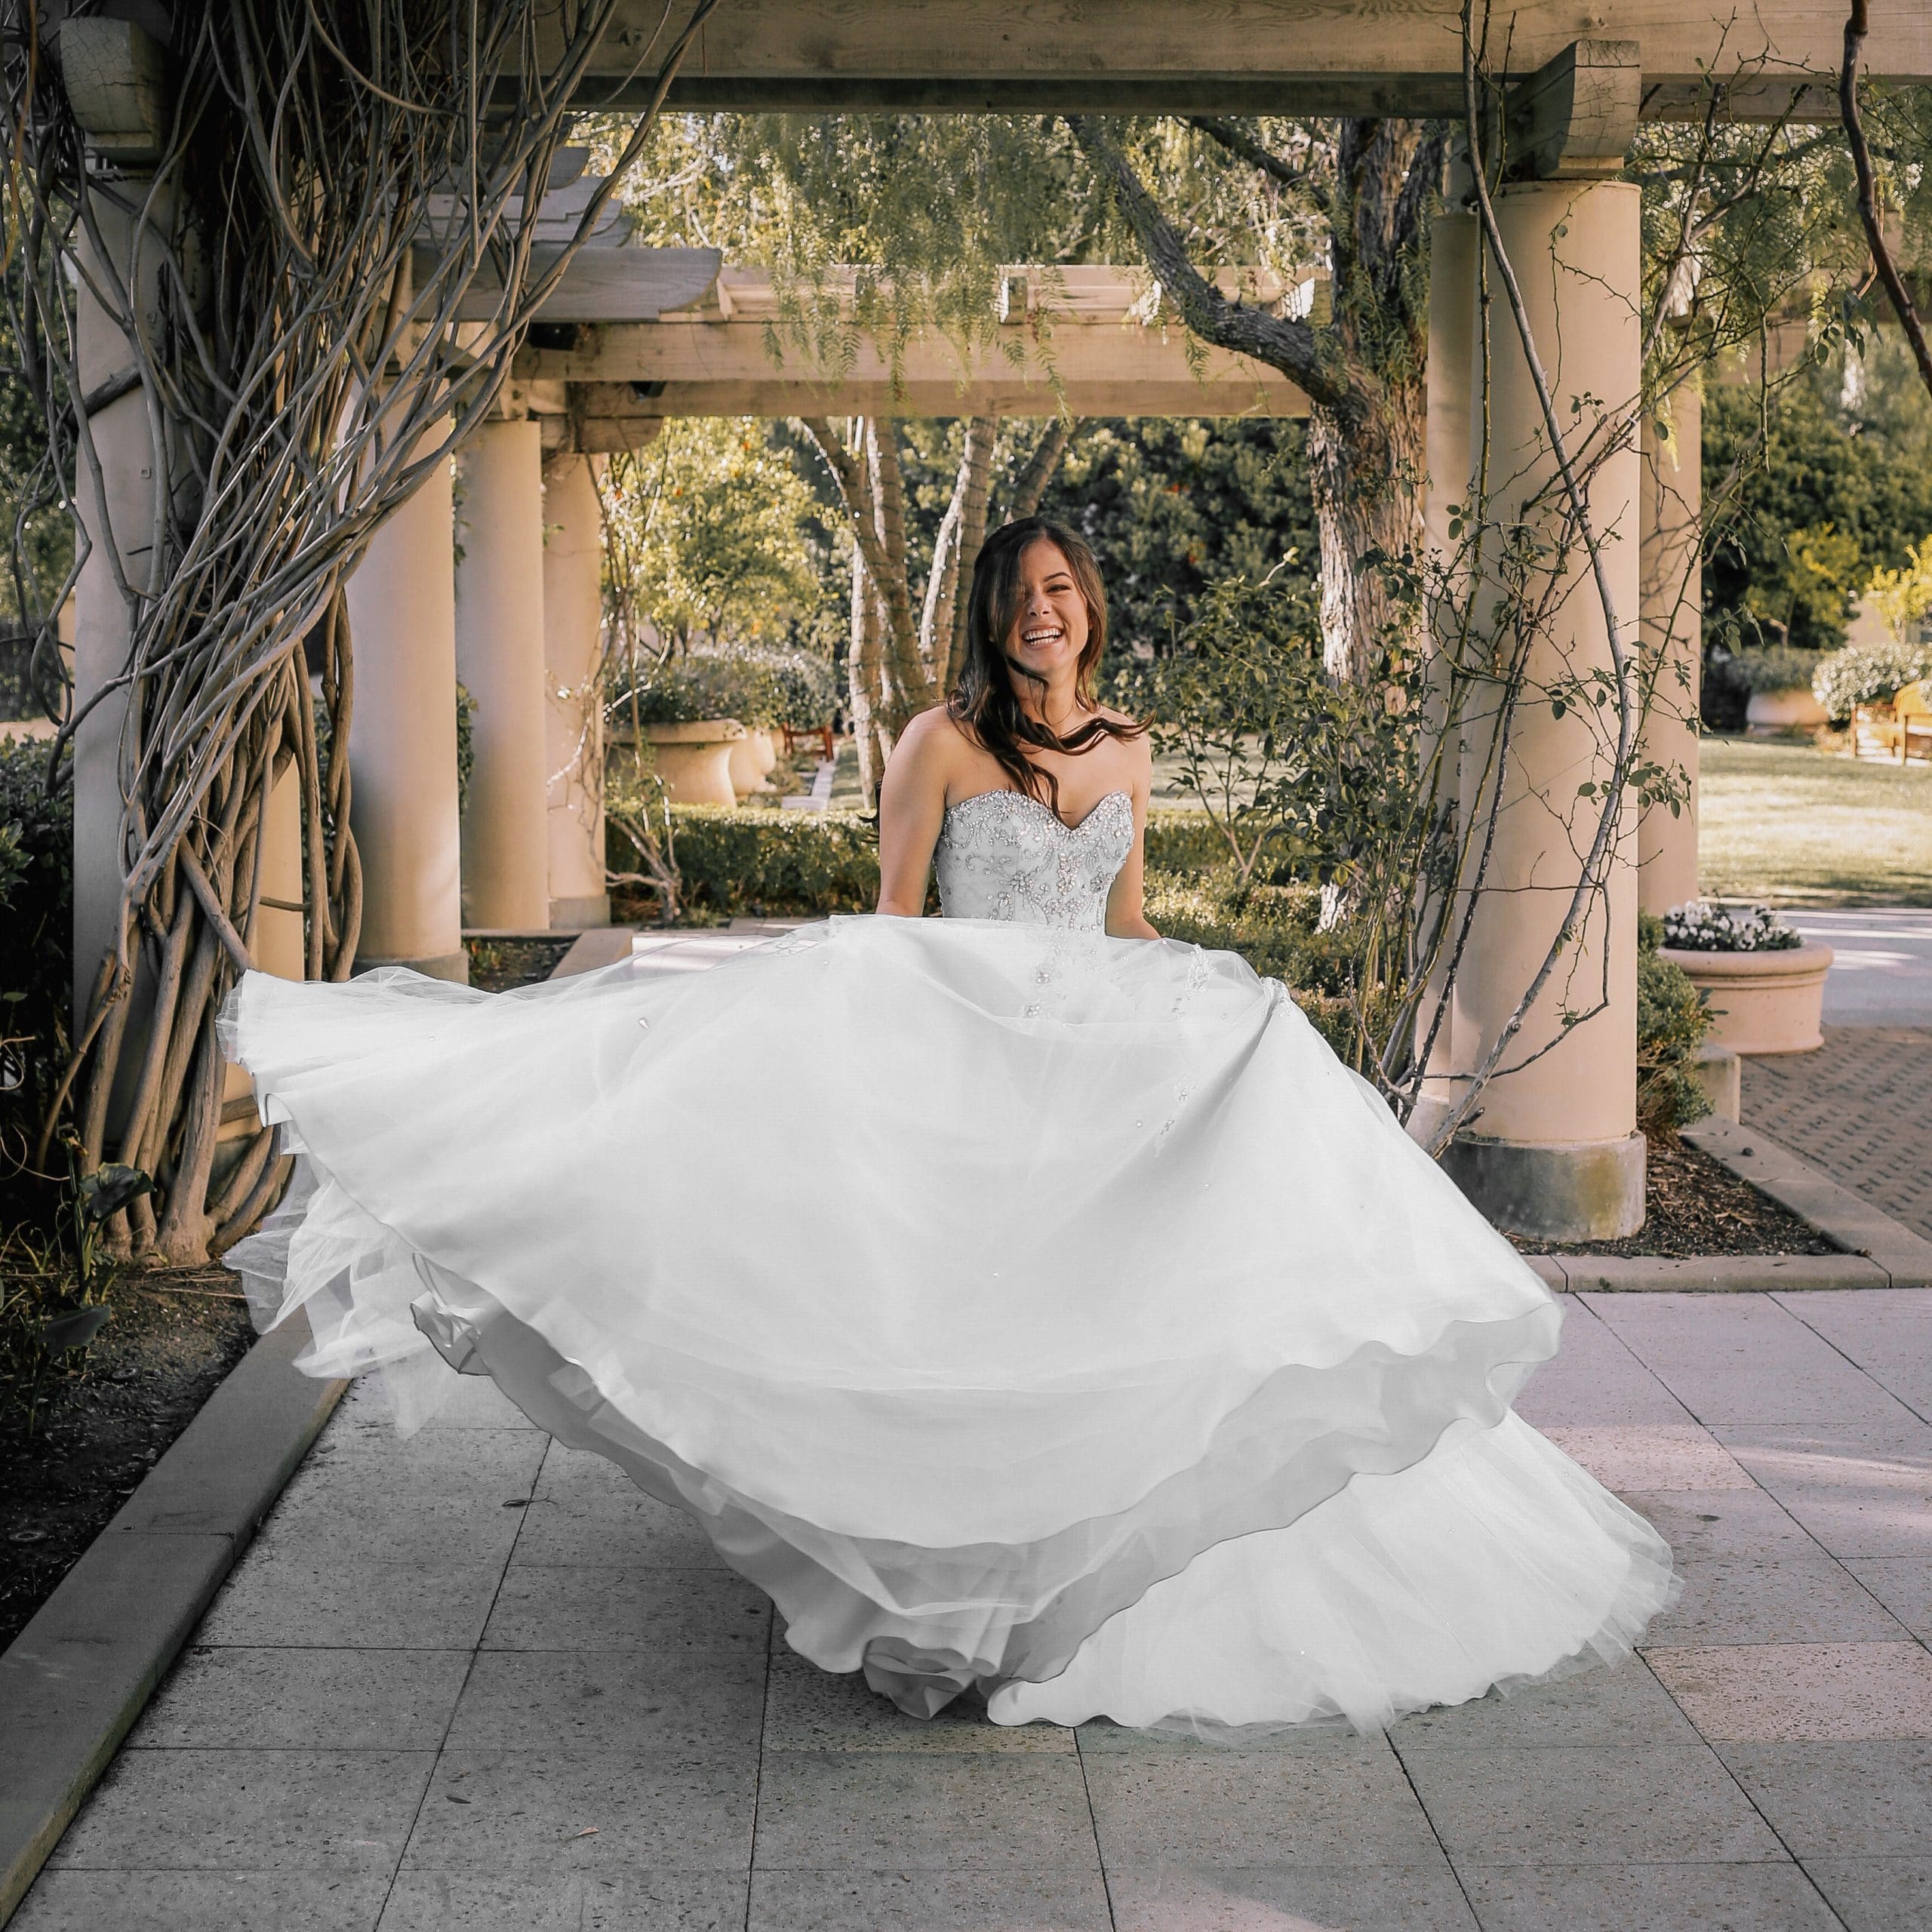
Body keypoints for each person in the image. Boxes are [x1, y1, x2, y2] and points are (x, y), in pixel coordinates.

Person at [223, 515, 1675, 1737]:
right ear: (993, 622)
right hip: (970, 1064)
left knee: (1152, 1264)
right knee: (964, 1313)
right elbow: (897, 922)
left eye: (1061, 590)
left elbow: (1123, 922)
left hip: (1095, 1056)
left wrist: (1212, 991)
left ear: (1088, 605)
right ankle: (933, 1580)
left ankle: (1068, 1564)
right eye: (1019, 599)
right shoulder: (940, 743)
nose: (1043, 614)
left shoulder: (1130, 750)